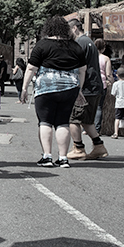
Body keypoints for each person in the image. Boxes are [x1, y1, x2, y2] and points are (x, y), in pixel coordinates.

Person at [20, 17, 87, 168]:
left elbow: (31, 68)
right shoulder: (75, 46)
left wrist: (24, 88)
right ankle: (63, 158)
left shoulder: (42, 44)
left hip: (46, 88)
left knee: (45, 121)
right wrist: (79, 90)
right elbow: (82, 70)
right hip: (69, 88)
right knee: (63, 122)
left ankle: (47, 156)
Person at [66, 19, 108, 161]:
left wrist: (77, 88)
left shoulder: (80, 43)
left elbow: (77, 67)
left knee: (73, 119)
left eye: (69, 30)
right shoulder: (89, 42)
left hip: (86, 87)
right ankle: (98, 146)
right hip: (95, 87)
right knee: (87, 120)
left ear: (75, 28)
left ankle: (78, 148)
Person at [94, 39, 113, 133]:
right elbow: (108, 74)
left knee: (89, 106)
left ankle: (86, 128)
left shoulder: (90, 57)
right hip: (101, 83)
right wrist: (112, 82)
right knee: (98, 107)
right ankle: (96, 129)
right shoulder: (106, 59)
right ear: (103, 48)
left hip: (91, 83)